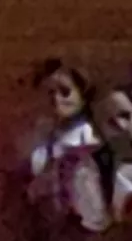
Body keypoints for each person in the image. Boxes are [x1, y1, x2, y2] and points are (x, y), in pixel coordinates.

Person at [70, 88, 132, 233]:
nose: (121, 126)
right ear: (97, 131)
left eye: (125, 115)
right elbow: (96, 236)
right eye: (110, 122)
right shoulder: (90, 173)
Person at [23, 61, 97, 197]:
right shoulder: (43, 133)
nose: (56, 99)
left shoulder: (86, 134)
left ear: (82, 97)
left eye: (65, 92)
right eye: (50, 92)